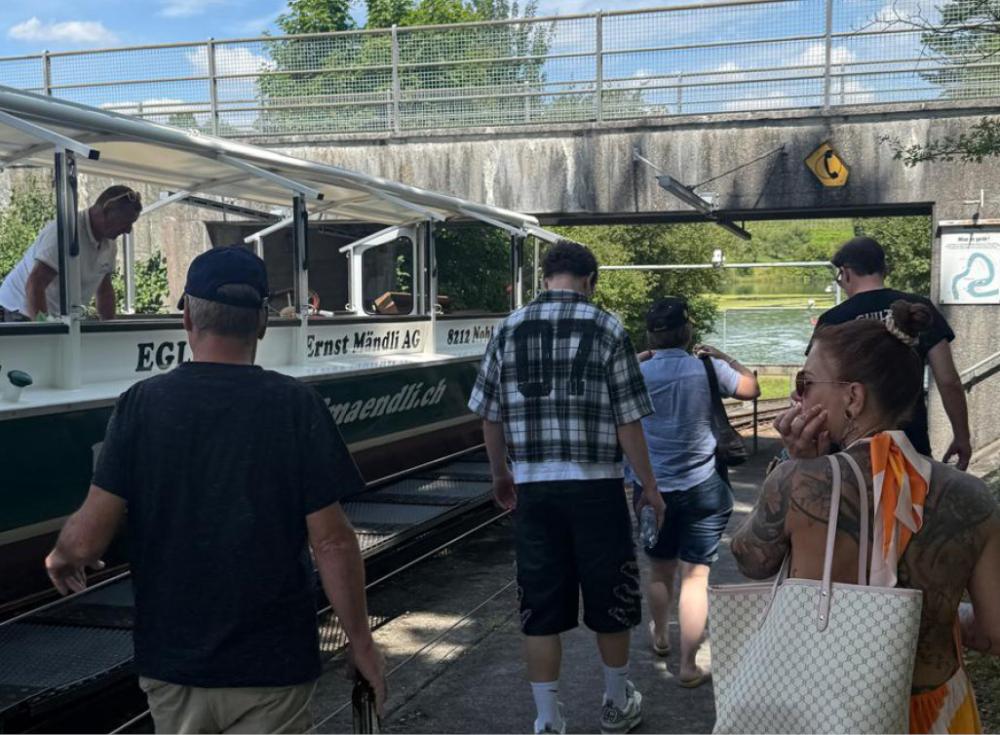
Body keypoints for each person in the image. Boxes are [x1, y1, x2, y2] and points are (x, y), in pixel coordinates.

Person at [44, 246, 386, 734]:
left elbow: (87, 541)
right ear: (262, 323)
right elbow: (331, 541)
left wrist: (63, 554)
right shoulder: (296, 405)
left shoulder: (141, 404)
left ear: (187, 316)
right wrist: (361, 642)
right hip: (274, 664)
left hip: (176, 665)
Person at [733, 300, 1000, 734]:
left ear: (853, 397)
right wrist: (936, 606)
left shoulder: (798, 480)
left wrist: (792, 465)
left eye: (805, 383)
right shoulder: (973, 497)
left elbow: (752, 560)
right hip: (937, 712)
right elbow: (994, 633)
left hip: (826, 710)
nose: (799, 397)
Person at [468, 239, 665, 735]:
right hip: (596, 489)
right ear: (590, 280)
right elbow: (628, 421)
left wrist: (500, 473)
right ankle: (616, 704)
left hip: (534, 490)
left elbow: (490, 416)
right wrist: (649, 485)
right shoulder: (608, 327)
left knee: (539, 606)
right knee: (612, 598)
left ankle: (548, 719)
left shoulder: (508, 328)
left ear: (545, 278)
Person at [631, 297, 759, 687]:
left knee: (659, 568)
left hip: (652, 489)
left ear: (651, 335)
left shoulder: (638, 373)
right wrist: (725, 356)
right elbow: (751, 388)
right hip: (704, 486)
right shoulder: (707, 367)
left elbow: (604, 393)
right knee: (695, 576)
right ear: (687, 331)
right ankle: (688, 666)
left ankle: (660, 635)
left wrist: (637, 359)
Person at [812, 235, 971, 469]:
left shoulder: (832, 319)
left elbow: (815, 385)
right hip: (910, 445)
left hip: (848, 451)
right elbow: (948, 381)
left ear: (845, 273)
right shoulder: (918, 310)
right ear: (883, 269)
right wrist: (962, 436)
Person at [0, 185, 141, 322]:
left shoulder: (109, 243)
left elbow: (104, 290)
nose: (128, 230)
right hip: (18, 311)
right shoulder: (65, 233)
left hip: (58, 318)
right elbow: (35, 284)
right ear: (106, 211)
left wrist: (109, 327)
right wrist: (44, 328)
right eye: (125, 222)